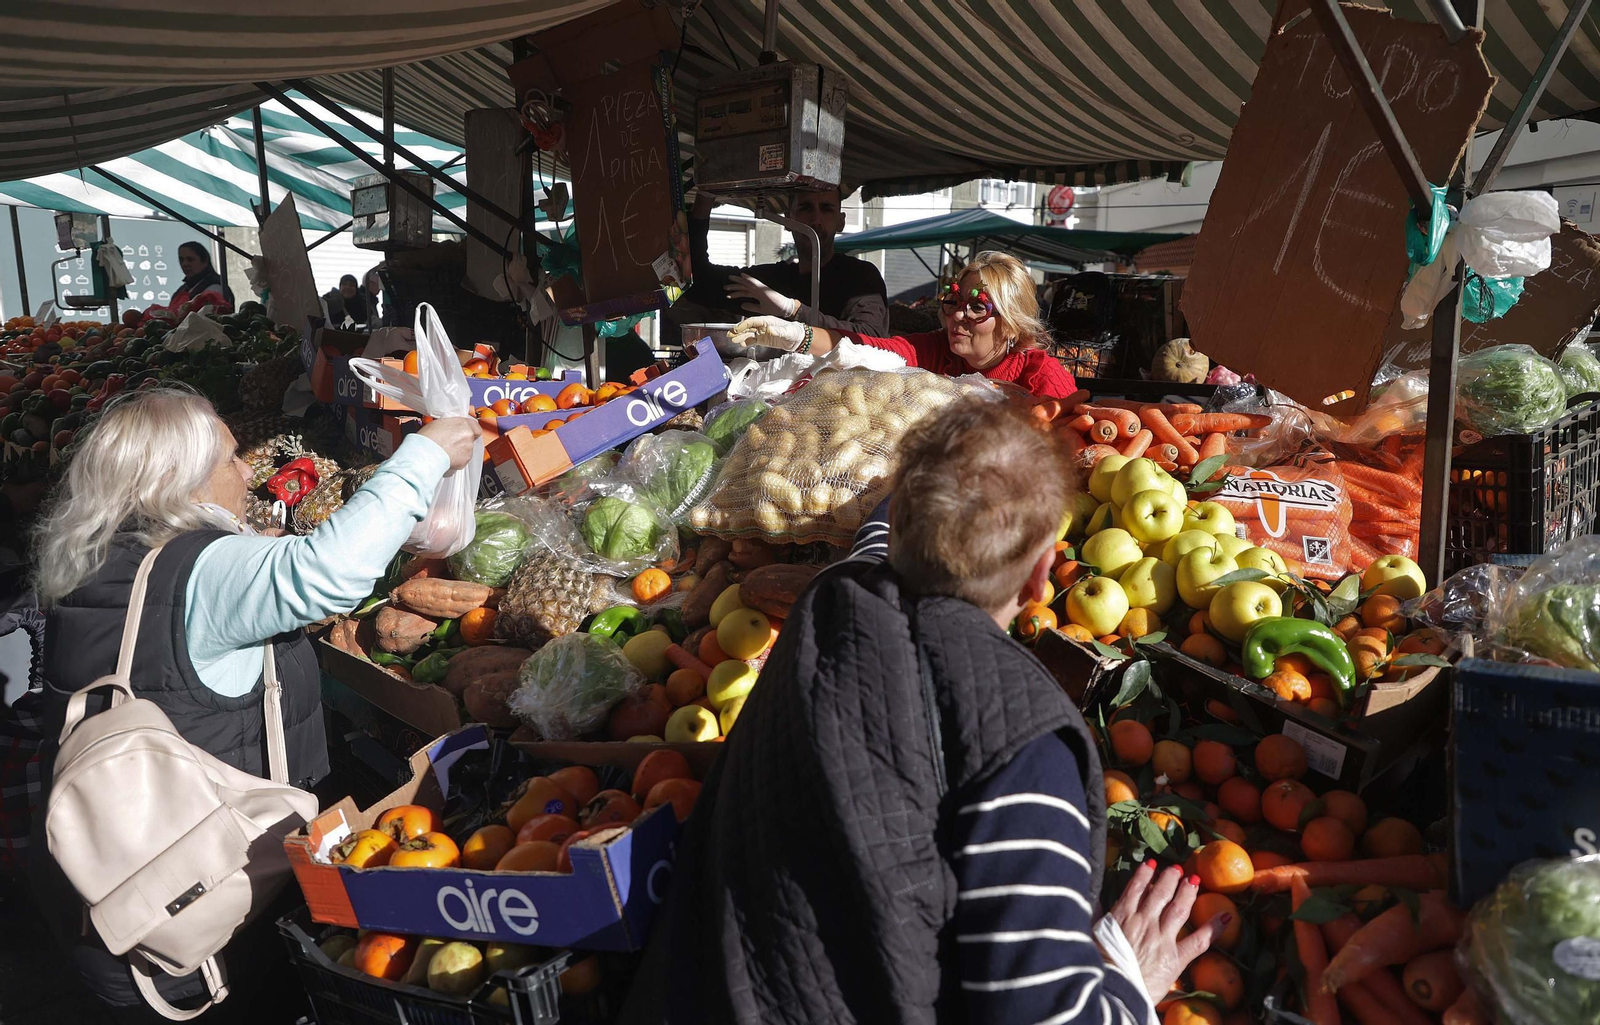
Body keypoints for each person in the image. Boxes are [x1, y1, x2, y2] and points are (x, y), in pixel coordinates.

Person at [620, 397, 1224, 1025]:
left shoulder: (828, 605)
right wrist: (1128, 982)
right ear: (1043, 575)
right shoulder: (1026, 743)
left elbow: (877, 542)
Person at [25, 387, 478, 1022]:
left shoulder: (90, 561)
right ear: (180, 480)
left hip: (114, 898)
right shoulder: (204, 569)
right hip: (205, 925)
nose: (248, 474)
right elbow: (332, 572)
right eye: (232, 459)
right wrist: (424, 455)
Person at [729, 251, 1078, 398]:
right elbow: (867, 348)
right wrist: (794, 334)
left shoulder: (1041, 378)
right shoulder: (936, 350)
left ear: (1013, 325)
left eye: (977, 309)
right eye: (954, 302)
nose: (958, 316)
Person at [681, 187, 889, 336]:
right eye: (806, 208)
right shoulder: (775, 280)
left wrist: (792, 310)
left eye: (826, 209)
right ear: (788, 219)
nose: (815, 219)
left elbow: (870, 336)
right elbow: (697, 281)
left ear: (841, 221)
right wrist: (705, 196)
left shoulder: (860, 277)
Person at [173, 242, 234, 309]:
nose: (184, 264)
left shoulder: (215, 287)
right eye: (181, 260)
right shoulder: (183, 289)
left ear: (205, 261)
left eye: (190, 260)